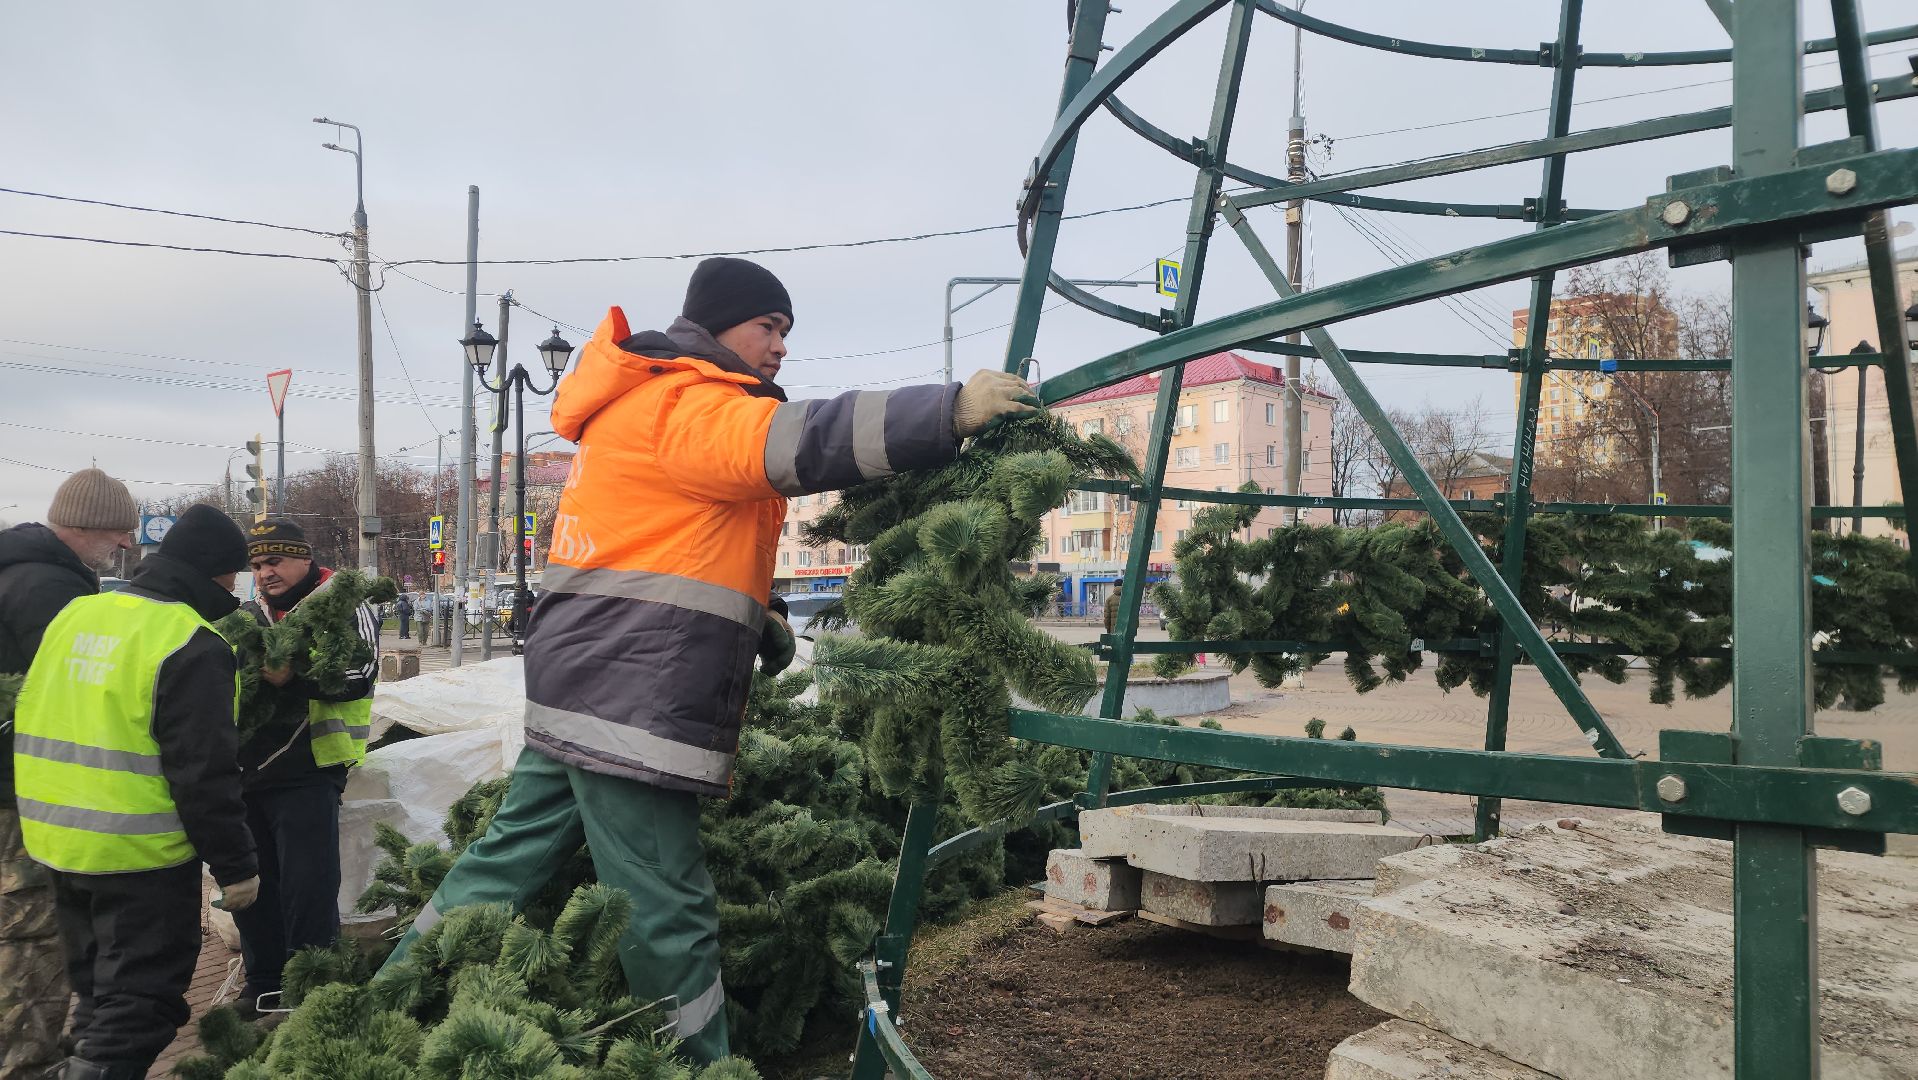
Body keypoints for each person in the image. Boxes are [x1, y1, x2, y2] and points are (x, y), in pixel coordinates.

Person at [380, 256, 1037, 1062]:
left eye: (787, 331)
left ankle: (383, 999)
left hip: (587, 677)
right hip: (632, 693)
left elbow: (669, 542)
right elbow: (799, 442)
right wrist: (948, 410)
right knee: (667, 907)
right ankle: (698, 1064)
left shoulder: (645, 401)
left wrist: (752, 614)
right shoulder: (686, 402)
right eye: (770, 326)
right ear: (721, 325)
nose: (782, 347)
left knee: (505, 858)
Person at [13, 503, 259, 1080]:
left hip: (58, 844)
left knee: (99, 995)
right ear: (211, 572)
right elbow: (203, 771)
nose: (235, 587)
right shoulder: (190, 642)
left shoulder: (78, 615)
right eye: (232, 574)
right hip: (137, 856)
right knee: (142, 1006)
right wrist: (236, 865)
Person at [0, 468, 137, 1080]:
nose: (126, 546)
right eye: (120, 532)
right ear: (87, 526)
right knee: (32, 935)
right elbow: (68, 694)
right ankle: (24, 1061)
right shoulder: (48, 592)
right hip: (18, 794)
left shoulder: (18, 571)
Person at [230, 519, 378, 1017]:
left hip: (312, 767)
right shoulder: (251, 613)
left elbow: (358, 674)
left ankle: (310, 993)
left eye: (274, 561)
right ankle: (262, 986)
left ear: (303, 557)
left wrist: (290, 677)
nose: (264, 573)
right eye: (255, 565)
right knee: (256, 884)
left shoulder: (342, 601)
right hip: (251, 770)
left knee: (307, 886)